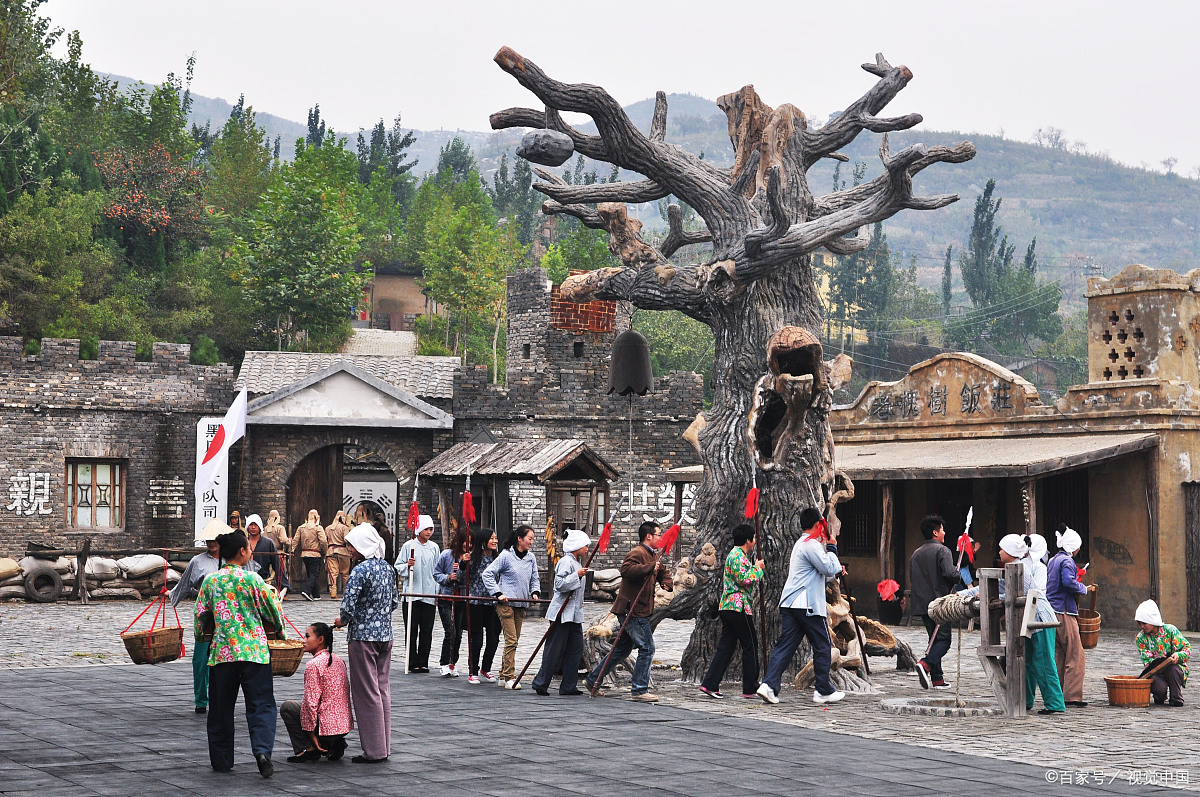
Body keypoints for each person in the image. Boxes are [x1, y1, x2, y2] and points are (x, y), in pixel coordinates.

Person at [194, 531, 285, 778]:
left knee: (221, 708)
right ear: (242, 551)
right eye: (248, 547)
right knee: (262, 705)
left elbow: (200, 617)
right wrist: (279, 630)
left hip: (223, 653)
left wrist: (204, 636)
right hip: (254, 651)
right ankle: (262, 751)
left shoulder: (211, 582)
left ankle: (222, 760)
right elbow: (273, 610)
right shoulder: (253, 580)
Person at [958, 534, 1066, 714]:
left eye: (1002, 549)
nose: (999, 552)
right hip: (1029, 617)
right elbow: (999, 588)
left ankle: (1055, 703)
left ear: (1010, 551)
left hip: (1039, 616)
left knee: (1043, 661)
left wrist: (987, 597)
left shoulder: (1020, 567)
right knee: (1029, 661)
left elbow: (1012, 594)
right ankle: (1025, 700)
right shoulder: (1013, 567)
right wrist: (962, 595)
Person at [756, 508, 844, 706]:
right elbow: (828, 567)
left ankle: (768, 685)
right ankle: (823, 690)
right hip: (807, 605)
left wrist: (834, 566)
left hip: (791, 603)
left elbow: (820, 573)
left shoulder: (800, 544)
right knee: (822, 646)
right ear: (817, 525)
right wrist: (832, 548)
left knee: (785, 646)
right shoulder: (811, 544)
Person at [586, 521, 672, 703]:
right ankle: (639, 689)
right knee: (647, 648)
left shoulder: (653, 555)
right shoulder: (637, 553)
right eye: (658, 534)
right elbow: (626, 570)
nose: (660, 538)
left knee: (620, 650)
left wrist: (666, 582)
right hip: (631, 609)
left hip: (640, 608)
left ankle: (593, 679)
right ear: (649, 536)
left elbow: (662, 571)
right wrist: (649, 568)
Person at [335, 522, 398, 763]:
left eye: (351, 544)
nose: (349, 548)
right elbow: (393, 602)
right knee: (382, 690)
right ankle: (384, 746)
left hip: (363, 637)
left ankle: (373, 750)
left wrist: (342, 620)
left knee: (366, 692)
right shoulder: (387, 569)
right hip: (386, 635)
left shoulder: (360, 571)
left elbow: (348, 607)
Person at [700, 523, 764, 700]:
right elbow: (744, 579)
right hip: (738, 606)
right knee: (750, 644)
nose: (755, 542)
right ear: (748, 540)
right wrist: (758, 569)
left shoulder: (739, 556)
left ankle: (710, 683)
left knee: (727, 647)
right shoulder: (737, 556)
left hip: (730, 607)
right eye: (754, 539)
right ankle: (750, 686)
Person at [170, 521, 227, 714]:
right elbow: (185, 583)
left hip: (228, 615)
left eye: (216, 540)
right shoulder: (198, 561)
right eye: (209, 540)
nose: (212, 543)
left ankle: (222, 698)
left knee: (225, 659)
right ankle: (201, 700)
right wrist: (172, 596)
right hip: (205, 613)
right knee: (201, 659)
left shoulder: (232, 560)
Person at [279, 622, 352, 763]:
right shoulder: (339, 660)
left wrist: (311, 736)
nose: (303, 640)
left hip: (327, 728)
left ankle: (308, 749)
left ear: (320, 640)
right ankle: (333, 743)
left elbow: (310, 704)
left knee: (288, 707)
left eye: (307, 636)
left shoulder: (314, 665)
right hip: (343, 726)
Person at [533, 528, 591, 696]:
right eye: (584, 545)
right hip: (562, 612)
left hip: (574, 613)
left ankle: (568, 685)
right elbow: (559, 585)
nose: (587, 548)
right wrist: (576, 576)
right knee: (554, 649)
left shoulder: (578, 562)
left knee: (575, 648)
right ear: (576, 546)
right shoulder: (566, 562)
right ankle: (541, 682)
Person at [483, 525, 542, 689]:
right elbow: (487, 573)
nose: (531, 542)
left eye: (532, 539)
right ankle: (510, 676)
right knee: (511, 640)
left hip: (521, 604)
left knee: (514, 640)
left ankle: (503, 675)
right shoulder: (506, 556)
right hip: (506, 604)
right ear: (519, 539)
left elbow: (534, 578)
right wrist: (497, 593)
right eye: (529, 538)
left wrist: (535, 592)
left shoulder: (531, 558)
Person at [909, 515, 959, 690]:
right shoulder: (943, 550)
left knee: (933, 640)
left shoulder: (916, 553)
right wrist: (957, 575)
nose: (945, 533)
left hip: (922, 604)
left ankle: (937, 679)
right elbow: (950, 573)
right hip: (939, 603)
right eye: (942, 529)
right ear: (935, 532)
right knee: (944, 641)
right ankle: (925, 664)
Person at [1047, 524, 1091, 707]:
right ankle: (1071, 696)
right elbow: (1068, 582)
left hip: (1052, 611)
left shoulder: (1052, 560)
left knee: (1060, 654)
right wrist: (1083, 588)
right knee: (1075, 655)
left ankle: (1058, 693)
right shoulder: (1066, 561)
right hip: (1064, 611)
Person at [398, 514, 439, 673]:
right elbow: (398, 565)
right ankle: (412, 661)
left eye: (430, 529)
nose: (429, 532)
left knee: (427, 630)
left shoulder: (434, 547)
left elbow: (437, 569)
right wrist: (408, 566)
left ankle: (424, 661)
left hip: (429, 592)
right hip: (412, 594)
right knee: (412, 629)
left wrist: (437, 592)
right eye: (426, 529)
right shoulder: (409, 545)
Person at [1134, 599, 1190, 706]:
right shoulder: (1141, 638)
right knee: (1159, 688)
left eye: (1144, 623)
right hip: (1155, 671)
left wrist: (1178, 655)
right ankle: (1160, 695)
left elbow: (1187, 648)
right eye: (1139, 623)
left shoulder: (1170, 630)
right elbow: (1147, 661)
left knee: (1172, 670)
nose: (1141, 626)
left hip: (1174, 668)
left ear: (1152, 620)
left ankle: (1176, 697)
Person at [433, 529, 471, 677]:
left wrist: (462, 568)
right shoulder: (446, 555)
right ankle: (444, 662)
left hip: (461, 598)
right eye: (465, 541)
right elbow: (436, 574)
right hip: (446, 598)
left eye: (470, 543)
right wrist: (448, 578)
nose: (467, 545)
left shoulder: (470, 558)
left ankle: (452, 662)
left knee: (459, 634)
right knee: (450, 632)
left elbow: (468, 579)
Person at [466, 526, 501, 684]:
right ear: (483, 541)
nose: (495, 541)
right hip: (476, 603)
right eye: (491, 538)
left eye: (495, 538)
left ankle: (486, 668)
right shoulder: (472, 558)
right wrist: (461, 565)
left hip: (493, 603)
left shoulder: (498, 559)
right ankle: (472, 670)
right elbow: (460, 578)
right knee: (477, 639)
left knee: (493, 639)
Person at [246, 514, 287, 595]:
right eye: (251, 524)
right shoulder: (243, 542)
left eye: (256, 525)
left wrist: (284, 585)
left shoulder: (268, 543)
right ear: (247, 526)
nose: (253, 527)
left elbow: (276, 563)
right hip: (245, 582)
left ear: (260, 526)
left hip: (262, 581)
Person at [293, 509, 328, 600]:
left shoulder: (301, 528)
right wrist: (325, 550)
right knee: (314, 574)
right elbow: (323, 541)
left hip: (305, 554)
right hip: (315, 554)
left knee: (310, 574)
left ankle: (316, 595)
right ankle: (306, 590)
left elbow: (295, 540)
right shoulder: (318, 528)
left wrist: (292, 550)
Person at [325, 511, 351, 600]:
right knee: (345, 573)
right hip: (343, 552)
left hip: (331, 552)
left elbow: (324, 540)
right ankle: (346, 591)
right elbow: (347, 539)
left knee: (332, 573)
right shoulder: (344, 528)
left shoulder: (328, 528)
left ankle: (333, 592)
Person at [263, 511, 290, 590]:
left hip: (267, 553)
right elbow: (284, 540)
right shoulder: (279, 528)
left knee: (270, 574)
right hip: (278, 553)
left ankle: (267, 589)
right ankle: (281, 590)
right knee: (280, 572)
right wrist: (290, 542)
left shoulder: (265, 529)